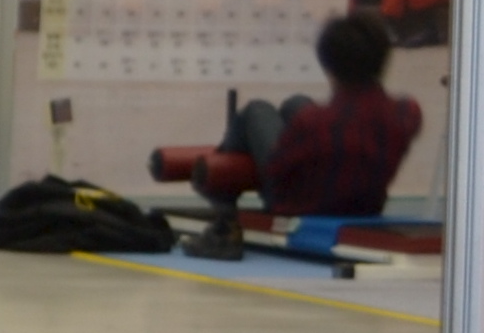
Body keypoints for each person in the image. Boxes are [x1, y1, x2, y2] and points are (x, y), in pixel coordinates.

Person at [153, 12, 427, 221]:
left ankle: (219, 195)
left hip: (299, 209)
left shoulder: (314, 122)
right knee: (297, 102)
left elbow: (276, 171)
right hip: (367, 206)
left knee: (257, 110)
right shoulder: (406, 113)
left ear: (328, 65)